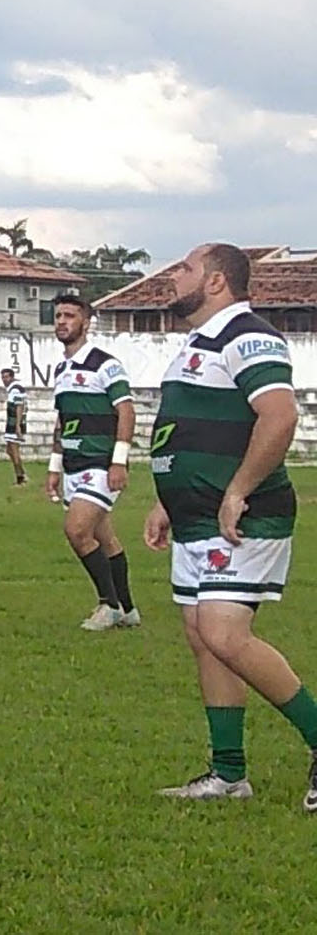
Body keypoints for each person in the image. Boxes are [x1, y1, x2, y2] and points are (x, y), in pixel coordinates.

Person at [144, 243, 317, 808]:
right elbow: (197, 430)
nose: (175, 275)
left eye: (187, 267)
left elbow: (279, 415)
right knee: (203, 640)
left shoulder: (248, 334)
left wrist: (238, 490)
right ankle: (228, 774)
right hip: (195, 518)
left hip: (243, 517)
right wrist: (168, 500)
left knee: (224, 635)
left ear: (217, 281)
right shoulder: (198, 343)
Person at [45, 293, 140, 632]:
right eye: (57, 315)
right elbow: (63, 420)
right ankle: (128, 609)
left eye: (69, 315)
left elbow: (126, 411)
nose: (62, 321)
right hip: (73, 464)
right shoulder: (61, 368)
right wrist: (55, 467)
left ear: (85, 322)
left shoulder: (105, 364)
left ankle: (108, 604)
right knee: (106, 538)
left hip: (99, 464)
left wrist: (119, 462)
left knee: (77, 531)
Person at [0, 367, 28, 485]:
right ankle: (21, 473)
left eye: (6, 377)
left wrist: (17, 425)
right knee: (10, 450)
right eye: (3, 377)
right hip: (13, 421)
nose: (4, 380)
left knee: (13, 450)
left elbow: (19, 406)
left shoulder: (15, 390)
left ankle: (20, 478)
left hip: (14, 422)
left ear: (12, 377)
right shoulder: (15, 389)